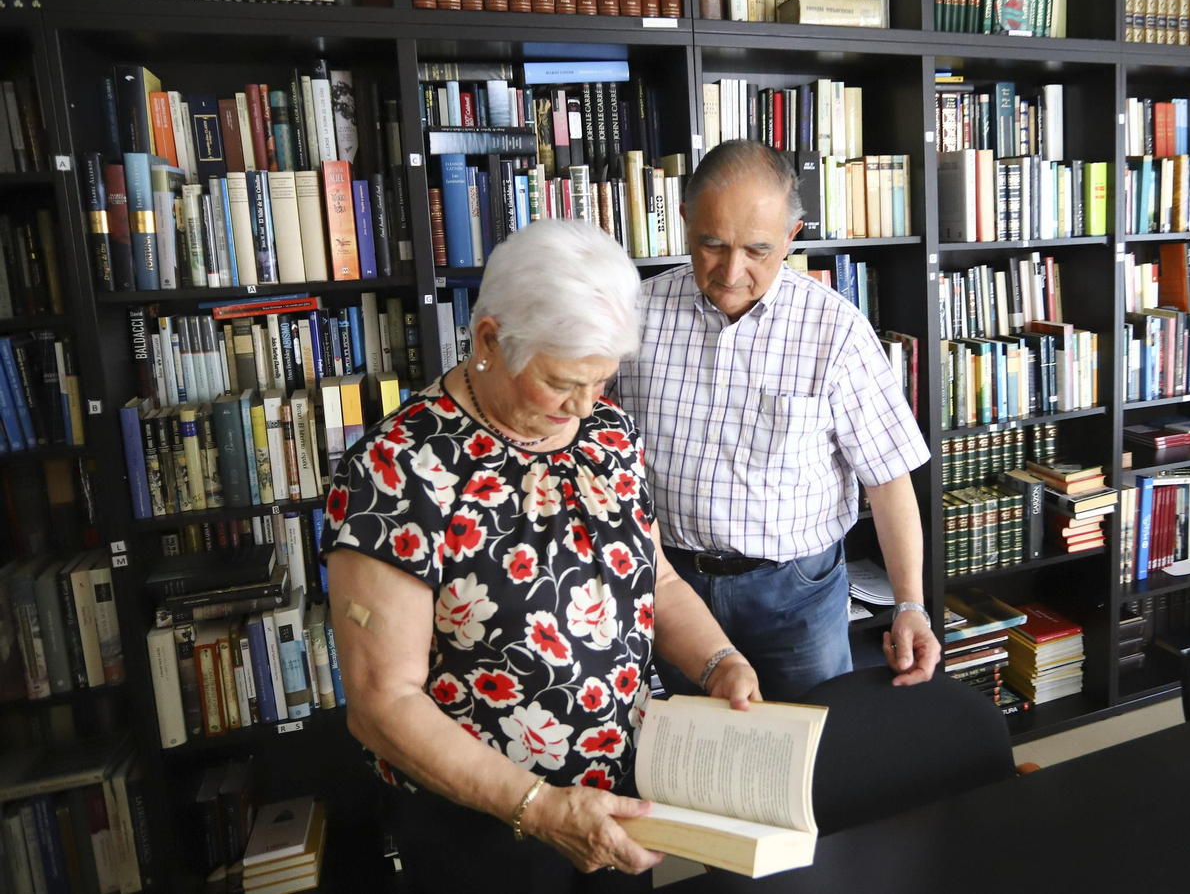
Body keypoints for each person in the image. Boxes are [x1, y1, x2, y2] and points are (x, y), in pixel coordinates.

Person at [321, 219, 760, 894]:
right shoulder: (398, 469)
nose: (585, 406)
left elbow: (657, 580)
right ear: (491, 339)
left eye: (601, 380)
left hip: (617, 803)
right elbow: (382, 702)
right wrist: (541, 807)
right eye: (562, 381)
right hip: (483, 827)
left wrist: (719, 660)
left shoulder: (607, 434)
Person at [613, 140, 939, 702]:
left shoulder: (835, 329)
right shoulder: (633, 315)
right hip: (666, 584)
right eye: (711, 244)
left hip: (796, 596)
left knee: (805, 759)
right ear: (685, 219)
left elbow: (887, 480)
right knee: (683, 760)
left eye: (758, 250)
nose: (731, 271)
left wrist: (910, 604)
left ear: (792, 237)